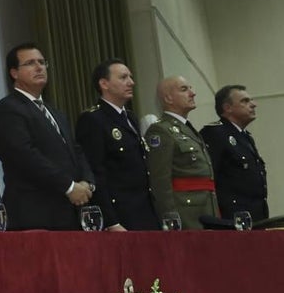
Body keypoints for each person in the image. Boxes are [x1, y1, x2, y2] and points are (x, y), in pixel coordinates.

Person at [0, 43, 95, 230]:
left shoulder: (55, 112)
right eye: (30, 63)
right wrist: (69, 187)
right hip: (35, 213)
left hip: (69, 212)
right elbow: (25, 156)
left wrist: (87, 182)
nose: (39, 67)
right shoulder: (8, 109)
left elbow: (75, 150)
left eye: (42, 62)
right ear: (14, 73)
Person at [74, 59, 158, 231]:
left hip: (144, 211)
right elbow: (96, 172)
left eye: (131, 77)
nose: (131, 82)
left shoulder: (131, 118)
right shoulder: (93, 119)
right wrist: (111, 221)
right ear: (104, 84)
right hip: (120, 215)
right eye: (123, 77)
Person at [144, 76, 218, 229]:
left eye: (190, 88)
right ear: (168, 98)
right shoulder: (161, 130)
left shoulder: (186, 128)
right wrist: (171, 220)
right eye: (184, 89)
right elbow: (160, 181)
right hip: (186, 215)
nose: (192, 93)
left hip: (206, 210)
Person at [201, 85, 268, 222]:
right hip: (232, 217)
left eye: (251, 100)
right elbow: (210, 177)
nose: (253, 104)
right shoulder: (215, 134)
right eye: (245, 101)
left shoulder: (245, 136)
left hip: (255, 214)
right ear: (227, 108)